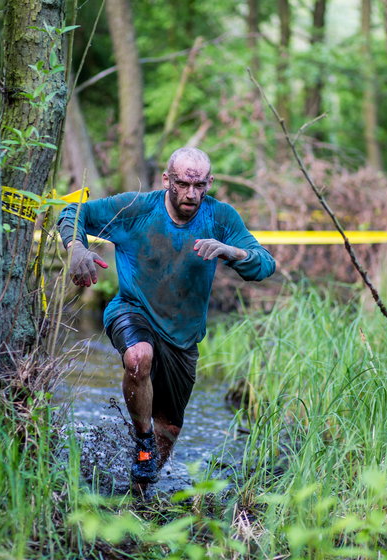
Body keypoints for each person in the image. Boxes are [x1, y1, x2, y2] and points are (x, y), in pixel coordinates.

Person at [58, 147, 275, 485]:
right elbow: (73, 212)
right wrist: (76, 247)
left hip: (183, 334)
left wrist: (230, 251)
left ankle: (139, 494)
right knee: (137, 357)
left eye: (200, 185)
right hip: (133, 308)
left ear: (209, 183)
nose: (192, 194)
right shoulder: (136, 209)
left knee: (169, 431)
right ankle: (142, 442)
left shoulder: (220, 217)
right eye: (183, 184)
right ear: (167, 180)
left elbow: (264, 264)